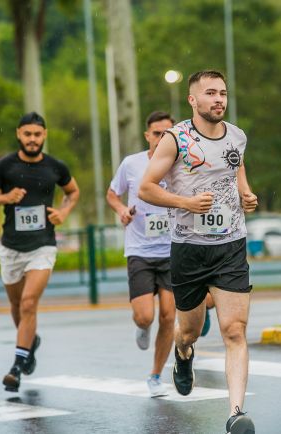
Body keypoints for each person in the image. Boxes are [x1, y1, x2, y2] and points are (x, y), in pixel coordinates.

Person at [139, 70, 257, 434]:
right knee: (189, 330)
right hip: (189, 249)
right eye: (210, 93)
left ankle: (236, 413)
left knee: (234, 330)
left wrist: (246, 194)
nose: (219, 99)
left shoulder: (237, 135)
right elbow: (146, 188)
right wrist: (185, 202)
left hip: (231, 245)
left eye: (223, 92)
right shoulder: (175, 139)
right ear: (193, 100)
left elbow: (237, 170)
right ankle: (183, 353)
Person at [0, 112, 80, 393]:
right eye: (27, 134)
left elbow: (73, 192)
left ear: (44, 135)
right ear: (18, 134)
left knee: (28, 303)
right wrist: (5, 198)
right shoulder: (5, 166)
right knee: (16, 305)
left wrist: (64, 212)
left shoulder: (55, 167)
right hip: (11, 247)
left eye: (37, 134)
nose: (32, 139)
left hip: (43, 246)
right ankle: (30, 342)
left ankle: (16, 367)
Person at [106, 111, 176, 397]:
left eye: (167, 134)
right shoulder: (131, 163)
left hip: (172, 250)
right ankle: (142, 326)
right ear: (148, 135)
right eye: (157, 133)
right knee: (146, 316)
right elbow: (112, 194)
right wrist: (122, 210)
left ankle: (155, 376)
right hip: (140, 251)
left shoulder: (181, 164)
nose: (161, 138)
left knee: (169, 316)